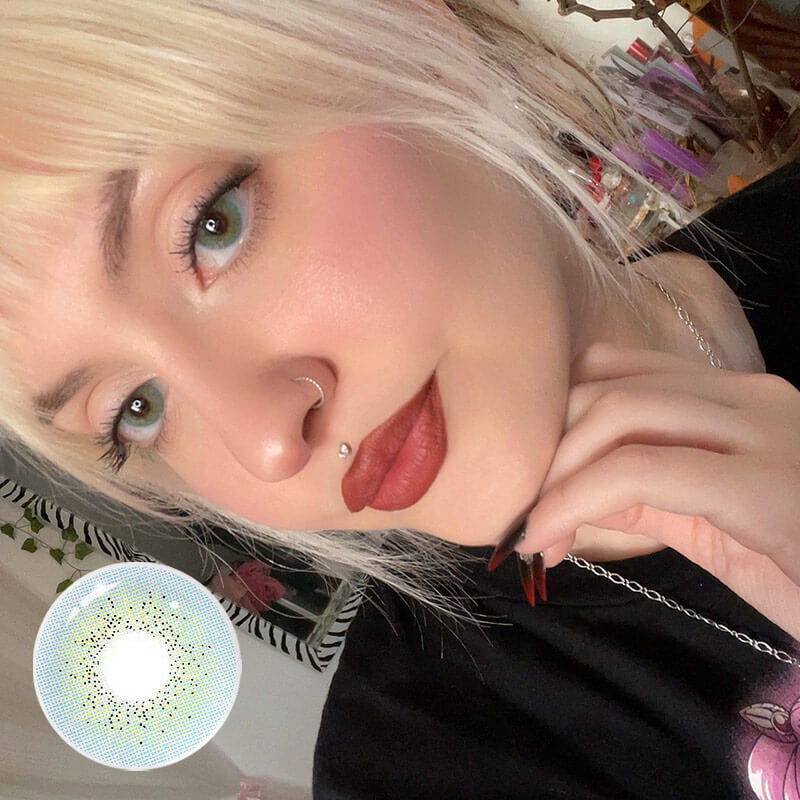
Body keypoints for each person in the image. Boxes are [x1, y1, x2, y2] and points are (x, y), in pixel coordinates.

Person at [1, 0, 798, 797]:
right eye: (136, 408)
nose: (269, 444)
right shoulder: (422, 758)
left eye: (214, 224)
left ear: (411, 39)